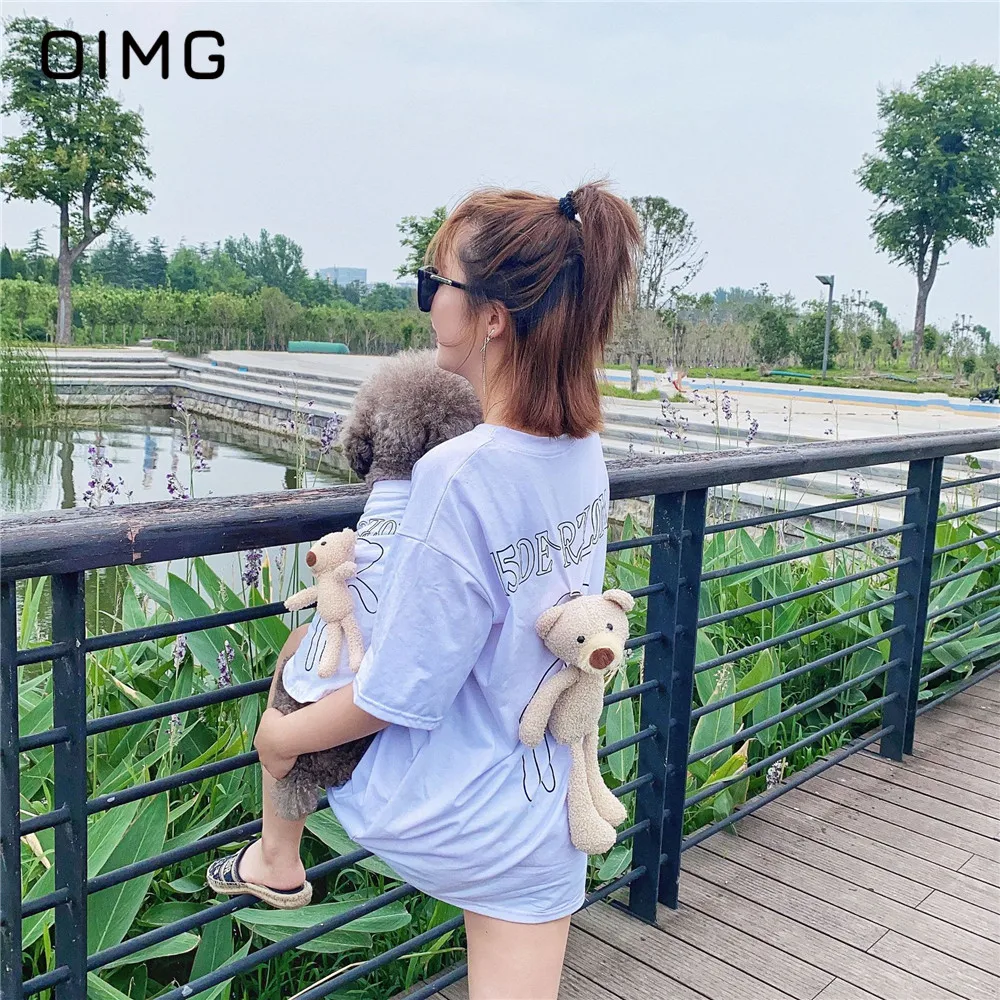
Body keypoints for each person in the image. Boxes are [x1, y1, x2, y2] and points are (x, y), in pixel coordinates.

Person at [233, 180, 642, 999]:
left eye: (434, 285)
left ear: (491, 316)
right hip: (541, 805)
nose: (426, 304)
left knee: (307, 653)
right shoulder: (581, 450)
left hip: (453, 803)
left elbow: (399, 693)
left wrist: (280, 741)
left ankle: (275, 857)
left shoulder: (458, 473)